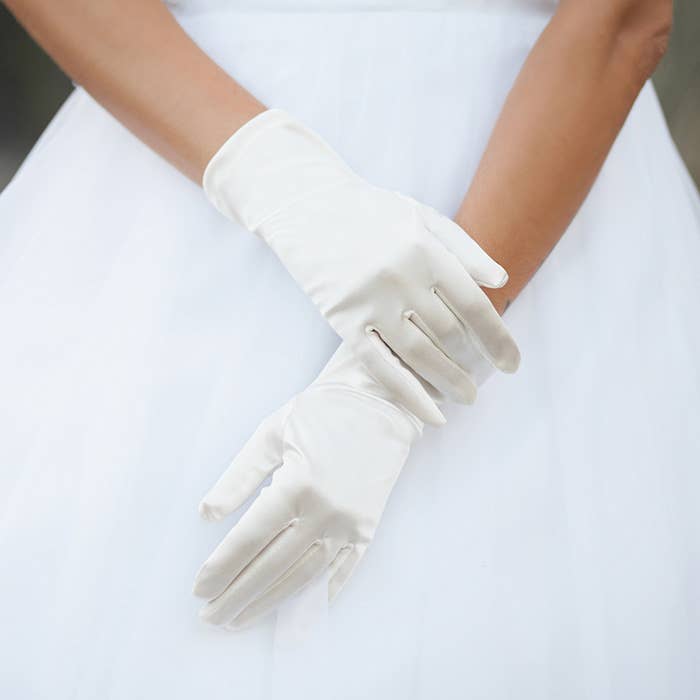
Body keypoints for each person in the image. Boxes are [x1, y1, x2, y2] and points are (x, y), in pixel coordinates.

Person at [1, 0, 698, 698]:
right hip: (177, 135)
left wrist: (396, 377)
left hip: (535, 162)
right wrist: (279, 182)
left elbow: (622, 17)